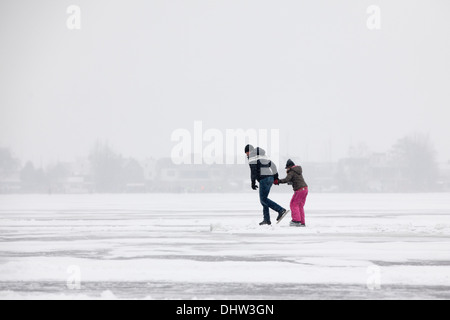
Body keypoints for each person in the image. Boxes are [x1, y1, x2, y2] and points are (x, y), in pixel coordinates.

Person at [245, 144, 289, 226]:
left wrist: (253, 182)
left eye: (246, 153)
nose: (246, 155)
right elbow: (273, 166)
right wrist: (275, 177)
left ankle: (280, 210)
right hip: (270, 178)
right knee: (264, 200)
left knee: (263, 200)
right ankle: (266, 220)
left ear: (249, 151)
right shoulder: (263, 155)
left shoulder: (252, 156)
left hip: (263, 179)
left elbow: (253, 171)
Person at [276, 159, 308, 227]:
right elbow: (293, 180)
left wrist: (278, 181)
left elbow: (287, 179)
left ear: (289, 167)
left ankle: (296, 221)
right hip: (305, 189)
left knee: (293, 204)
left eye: (287, 168)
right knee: (300, 206)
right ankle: (302, 222)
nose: (286, 169)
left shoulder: (292, 171)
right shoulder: (297, 170)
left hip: (299, 190)